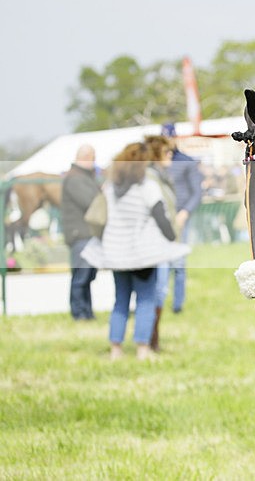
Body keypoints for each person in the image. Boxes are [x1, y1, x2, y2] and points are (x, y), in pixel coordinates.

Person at [82, 142, 190, 361]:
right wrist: (171, 238)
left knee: (120, 301)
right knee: (146, 301)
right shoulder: (146, 186)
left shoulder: (111, 186)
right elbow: (161, 217)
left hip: (115, 253)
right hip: (142, 254)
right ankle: (142, 349)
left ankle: (115, 350)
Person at [162, 123, 203, 313]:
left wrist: (185, 212)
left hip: (179, 218)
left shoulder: (187, 161)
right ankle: (158, 302)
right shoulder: (156, 163)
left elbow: (196, 192)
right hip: (159, 218)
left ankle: (177, 305)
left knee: (178, 263)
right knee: (160, 262)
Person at [144, 135, 178, 352]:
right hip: (154, 241)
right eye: (166, 152)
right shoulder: (149, 177)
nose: (171, 156)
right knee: (156, 291)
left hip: (162, 241)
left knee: (160, 290)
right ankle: (149, 340)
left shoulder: (160, 175)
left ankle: (151, 339)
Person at [61, 144, 101, 321]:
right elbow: (90, 202)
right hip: (81, 235)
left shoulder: (83, 177)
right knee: (80, 277)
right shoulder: (76, 179)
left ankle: (87, 313)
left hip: (87, 235)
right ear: (88, 157)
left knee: (87, 277)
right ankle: (79, 314)